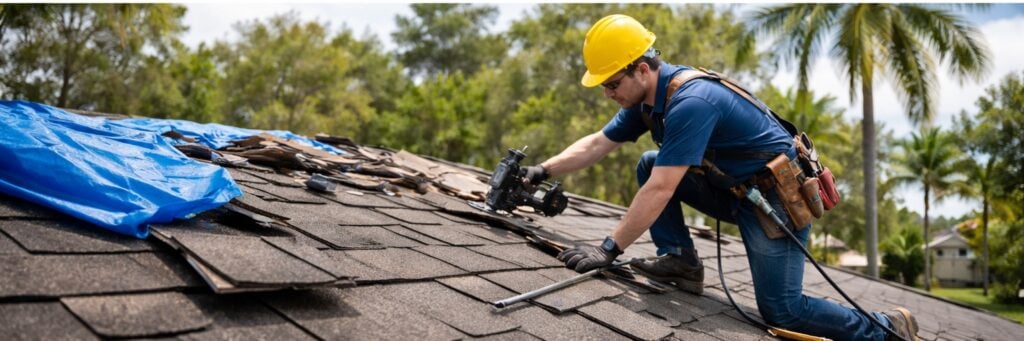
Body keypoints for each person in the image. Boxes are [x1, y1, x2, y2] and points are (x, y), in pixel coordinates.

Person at [523, 14, 920, 341]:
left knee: (784, 311)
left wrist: (608, 249)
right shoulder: (648, 101)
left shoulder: (691, 102)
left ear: (642, 69)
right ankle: (681, 261)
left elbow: (661, 188)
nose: (608, 93)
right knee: (649, 162)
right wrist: (542, 170)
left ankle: (886, 327)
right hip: (735, 191)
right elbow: (598, 143)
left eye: (612, 84)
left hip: (776, 203)